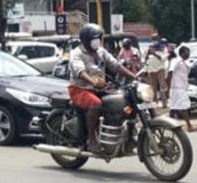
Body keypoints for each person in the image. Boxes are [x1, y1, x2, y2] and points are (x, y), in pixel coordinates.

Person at [68, 23, 138, 153]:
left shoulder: (101, 51)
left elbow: (115, 65)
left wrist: (133, 76)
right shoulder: (76, 53)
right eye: (96, 38)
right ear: (87, 39)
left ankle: (126, 136)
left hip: (99, 88)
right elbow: (80, 71)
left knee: (122, 100)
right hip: (79, 89)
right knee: (95, 104)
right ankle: (91, 140)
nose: (98, 41)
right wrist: (93, 82)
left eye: (99, 38)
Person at [167, 45, 197, 133]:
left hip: (180, 87)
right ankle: (189, 126)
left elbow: (181, 75)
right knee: (184, 106)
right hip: (177, 87)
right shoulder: (176, 61)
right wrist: (167, 87)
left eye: (188, 53)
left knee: (173, 107)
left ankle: (168, 125)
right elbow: (170, 72)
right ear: (181, 53)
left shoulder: (183, 62)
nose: (188, 55)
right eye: (186, 53)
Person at [144, 42, 169, 108]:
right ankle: (155, 103)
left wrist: (154, 53)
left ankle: (164, 103)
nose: (151, 49)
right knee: (153, 88)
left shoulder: (163, 53)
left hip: (160, 71)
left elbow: (162, 59)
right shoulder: (149, 55)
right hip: (151, 72)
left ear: (155, 48)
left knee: (162, 87)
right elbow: (146, 63)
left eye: (152, 47)